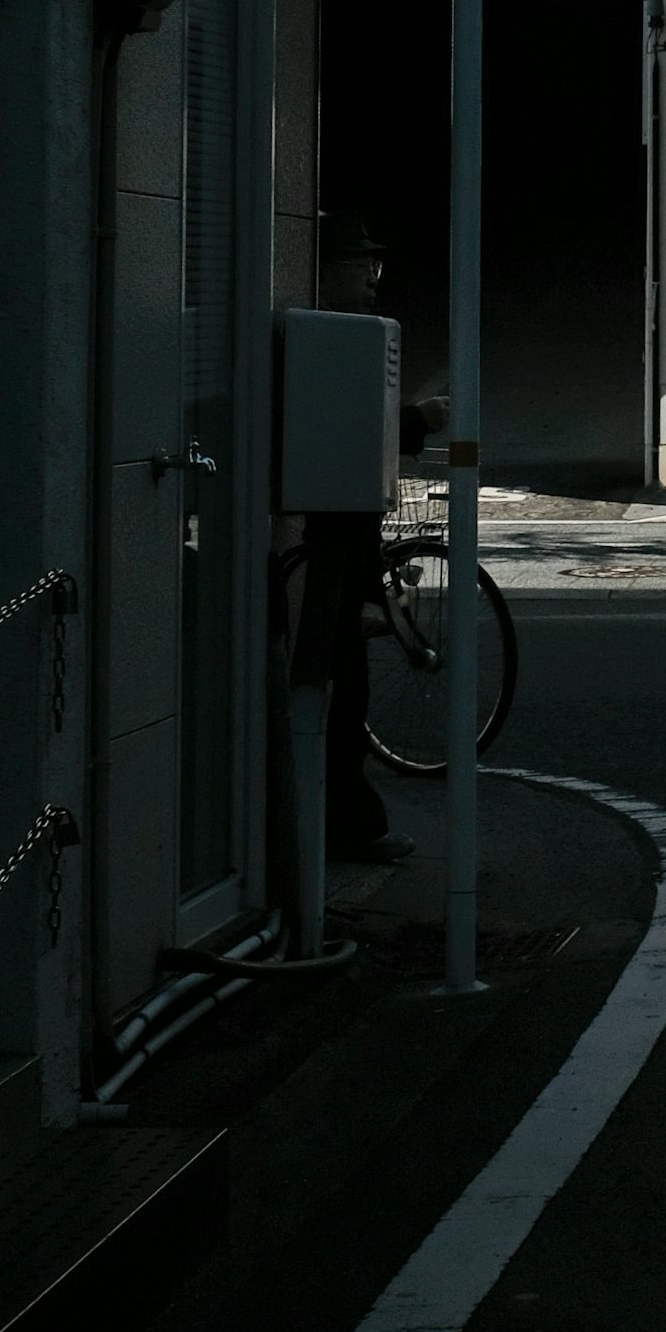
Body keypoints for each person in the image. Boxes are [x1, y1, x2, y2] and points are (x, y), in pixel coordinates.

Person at [306, 219, 413, 871]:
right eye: (359, 267)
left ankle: (340, 824)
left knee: (342, 692)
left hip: (340, 540)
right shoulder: (326, 340)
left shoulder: (337, 335)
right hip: (330, 543)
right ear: (326, 269)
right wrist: (414, 422)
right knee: (343, 695)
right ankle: (348, 827)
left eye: (377, 269)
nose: (372, 281)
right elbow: (354, 432)